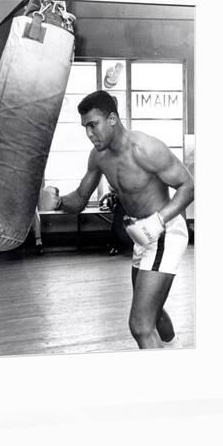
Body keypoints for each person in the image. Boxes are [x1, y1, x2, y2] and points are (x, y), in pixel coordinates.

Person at [41, 91, 194, 349]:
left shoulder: (145, 149)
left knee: (140, 325)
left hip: (165, 231)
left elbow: (188, 186)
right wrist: (56, 202)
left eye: (93, 125)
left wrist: (159, 220)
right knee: (152, 313)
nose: (89, 134)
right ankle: (175, 350)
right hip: (141, 236)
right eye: (85, 128)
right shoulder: (98, 157)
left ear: (111, 119)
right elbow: (79, 198)